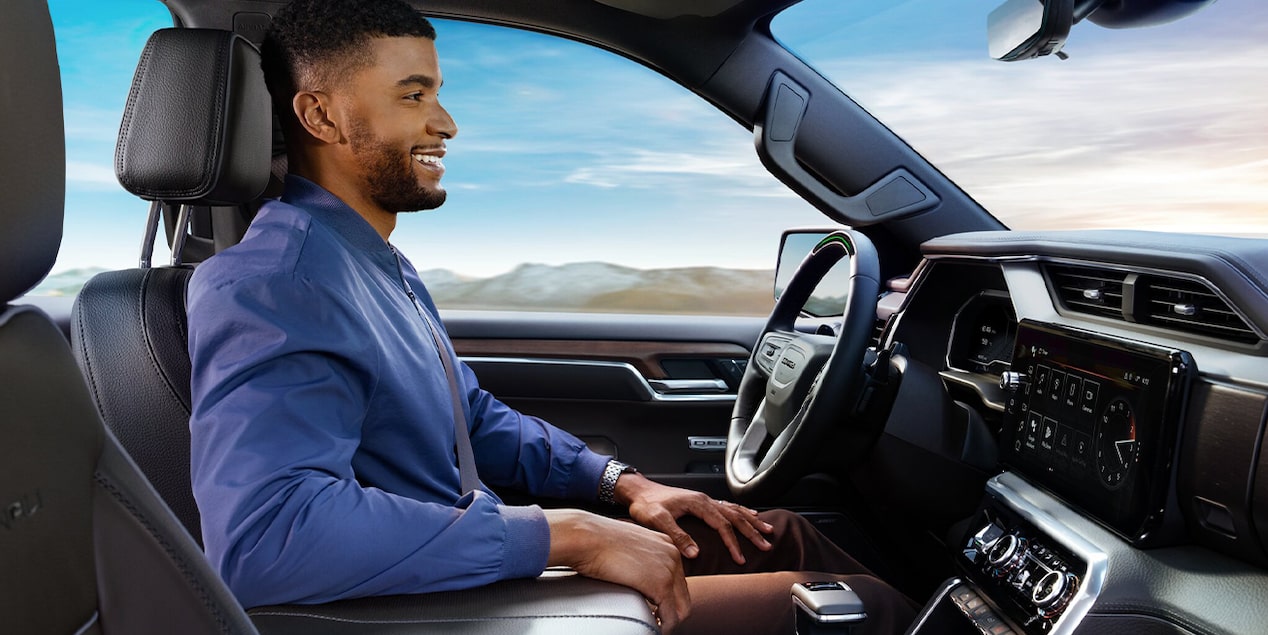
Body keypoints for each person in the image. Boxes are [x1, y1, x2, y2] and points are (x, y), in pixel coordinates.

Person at [186, 0, 917, 632]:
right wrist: (564, 535)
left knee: (778, 535)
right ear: (319, 114)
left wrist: (619, 484)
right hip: (426, 611)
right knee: (867, 608)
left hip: (459, 569)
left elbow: (470, 419)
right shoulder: (273, 285)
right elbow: (267, 538)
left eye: (437, 93)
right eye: (413, 96)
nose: (447, 122)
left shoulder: (370, 262)